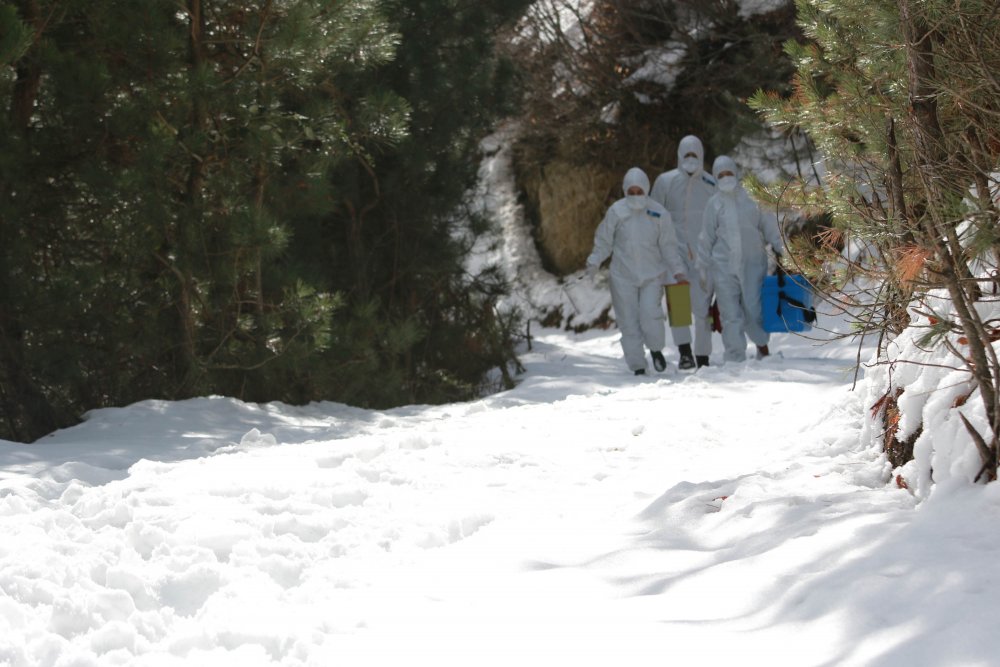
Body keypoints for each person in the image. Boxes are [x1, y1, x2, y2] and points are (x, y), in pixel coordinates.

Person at [586, 167, 687, 375]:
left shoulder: (659, 213)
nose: (635, 196)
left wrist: (678, 271)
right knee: (628, 322)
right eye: (631, 192)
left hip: (652, 275)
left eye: (639, 192)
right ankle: (638, 365)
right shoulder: (617, 212)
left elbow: (668, 245)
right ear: (625, 191)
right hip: (623, 276)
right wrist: (594, 261)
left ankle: (656, 350)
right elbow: (604, 241)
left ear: (646, 190)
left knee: (650, 315)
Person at [696, 156, 784, 363]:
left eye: (729, 173)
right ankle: (734, 356)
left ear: (735, 173)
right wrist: (702, 265)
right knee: (730, 313)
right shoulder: (713, 204)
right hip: (723, 267)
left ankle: (763, 347)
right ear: (715, 178)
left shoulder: (752, 198)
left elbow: (770, 226)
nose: (726, 178)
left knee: (754, 309)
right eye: (721, 175)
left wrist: (783, 249)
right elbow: (706, 237)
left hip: (753, 263)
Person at [651, 135, 716, 369]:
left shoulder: (711, 184)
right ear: (679, 155)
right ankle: (685, 352)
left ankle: (703, 355)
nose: (690, 159)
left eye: (694, 155)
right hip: (673, 254)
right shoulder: (665, 182)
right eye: (686, 154)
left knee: (703, 308)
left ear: (701, 155)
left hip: (703, 255)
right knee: (678, 304)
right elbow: (653, 215)